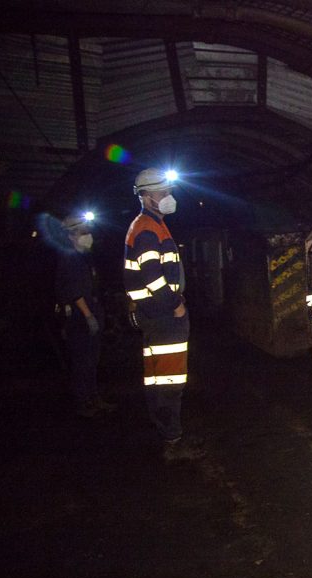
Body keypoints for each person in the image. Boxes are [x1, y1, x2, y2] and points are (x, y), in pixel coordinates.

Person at [124, 168, 197, 460]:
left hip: (155, 315)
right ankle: (173, 442)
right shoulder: (146, 229)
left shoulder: (152, 225)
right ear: (146, 196)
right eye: (163, 192)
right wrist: (174, 304)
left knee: (158, 380)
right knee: (170, 381)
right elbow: (152, 276)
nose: (169, 197)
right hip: (163, 316)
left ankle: (166, 431)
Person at [54, 213, 114, 417]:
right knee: (82, 362)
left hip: (90, 313)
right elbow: (75, 292)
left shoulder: (82, 258)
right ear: (71, 235)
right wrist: (88, 316)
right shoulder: (69, 258)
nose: (88, 235)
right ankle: (83, 402)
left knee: (91, 361)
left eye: (88, 231)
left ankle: (93, 398)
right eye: (83, 232)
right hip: (79, 319)